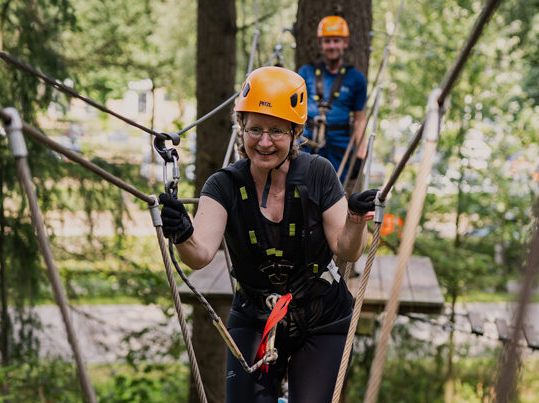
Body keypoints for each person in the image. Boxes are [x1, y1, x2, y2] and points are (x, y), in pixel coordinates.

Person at [159, 66, 377, 402]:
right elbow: (199, 255)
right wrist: (183, 232)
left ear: (295, 132)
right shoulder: (223, 185)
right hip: (255, 314)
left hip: (321, 315)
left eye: (276, 131)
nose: (263, 142)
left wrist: (355, 219)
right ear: (241, 128)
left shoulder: (319, 172)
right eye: (255, 129)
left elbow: (347, 251)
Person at [298, 15, 368, 183]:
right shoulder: (306, 72)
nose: (332, 46)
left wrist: (360, 155)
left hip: (339, 149)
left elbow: (359, 119)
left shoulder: (356, 78)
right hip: (306, 144)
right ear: (321, 44)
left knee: (335, 195)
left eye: (336, 41)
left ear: (345, 43)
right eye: (327, 41)